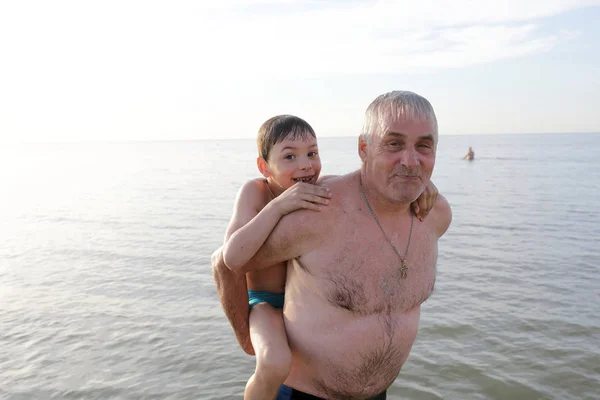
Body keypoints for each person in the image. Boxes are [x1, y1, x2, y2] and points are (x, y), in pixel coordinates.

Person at [212, 90, 452, 399]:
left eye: (423, 146)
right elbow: (225, 262)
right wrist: (247, 336)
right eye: (394, 143)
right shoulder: (317, 211)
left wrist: (414, 182)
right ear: (364, 148)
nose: (410, 160)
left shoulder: (435, 216)